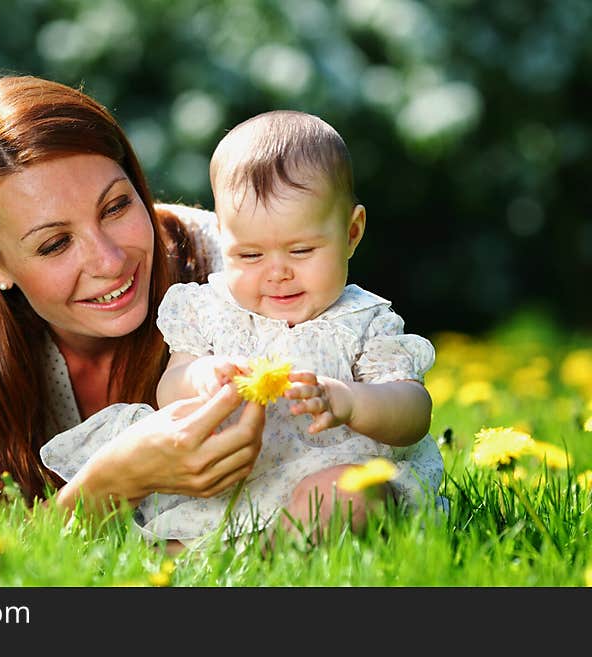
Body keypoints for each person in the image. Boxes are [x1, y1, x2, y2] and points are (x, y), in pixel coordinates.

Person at [0, 73, 266, 518]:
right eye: (55, 244)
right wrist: (111, 485)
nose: (108, 261)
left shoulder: (245, 271)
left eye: (116, 207)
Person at [41, 110, 446, 545]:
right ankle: (202, 564)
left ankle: (273, 555)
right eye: (250, 256)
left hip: (325, 473)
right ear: (223, 236)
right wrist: (200, 377)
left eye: (302, 250)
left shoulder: (363, 319)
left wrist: (349, 401)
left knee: (350, 494)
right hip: (230, 486)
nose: (277, 273)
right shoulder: (208, 309)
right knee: (176, 535)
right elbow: (170, 389)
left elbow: (413, 412)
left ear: (352, 232)